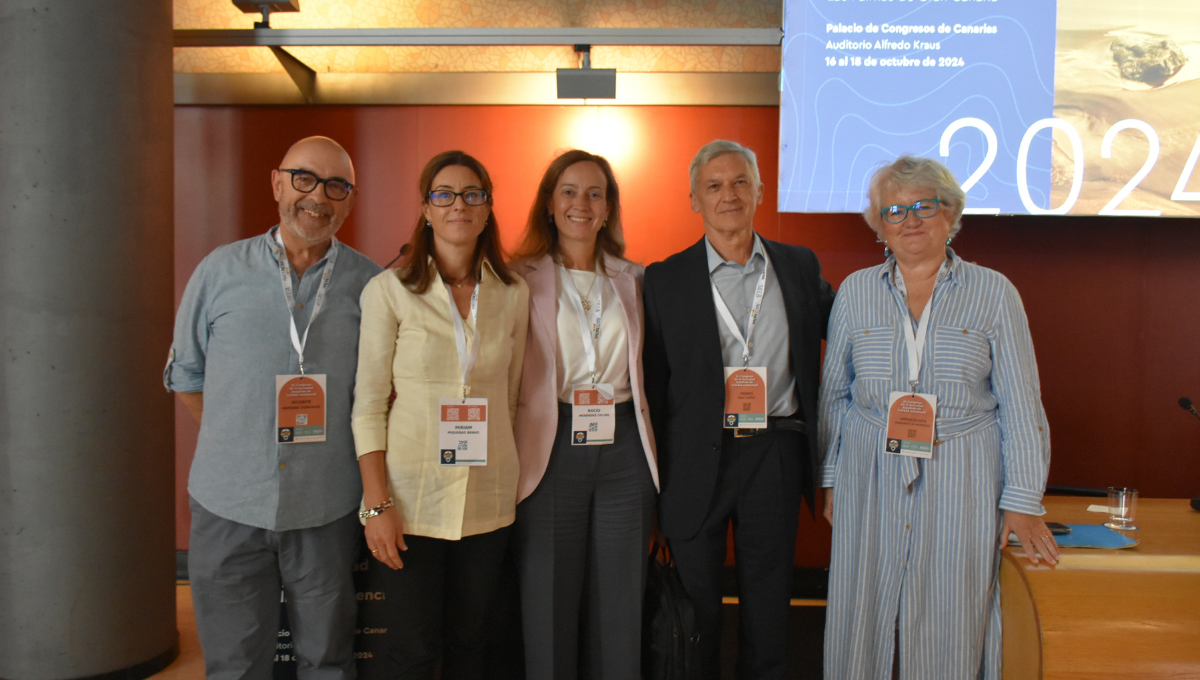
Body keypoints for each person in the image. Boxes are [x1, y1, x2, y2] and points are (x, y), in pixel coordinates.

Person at [819, 155, 1058, 680]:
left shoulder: (994, 292)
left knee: (952, 612)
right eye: (895, 210)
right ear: (878, 225)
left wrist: (1021, 500)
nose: (910, 220)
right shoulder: (856, 292)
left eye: (924, 206)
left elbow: (1021, 402)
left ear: (951, 214)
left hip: (963, 472)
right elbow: (834, 392)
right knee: (861, 613)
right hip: (869, 470)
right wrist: (832, 479)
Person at [165, 136, 382, 680]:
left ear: (349, 201)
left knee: (328, 662)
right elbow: (187, 375)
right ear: (277, 182)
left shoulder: (371, 285)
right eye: (304, 178)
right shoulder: (219, 271)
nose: (318, 197)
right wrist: (239, 439)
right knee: (235, 667)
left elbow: (380, 393)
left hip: (326, 509)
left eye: (336, 186)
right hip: (228, 506)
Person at [642, 139, 835, 679]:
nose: (728, 195)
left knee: (770, 604)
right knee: (697, 609)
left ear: (760, 192)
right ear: (694, 200)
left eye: (740, 182)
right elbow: (654, 390)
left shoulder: (798, 266)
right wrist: (652, 491)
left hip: (774, 452)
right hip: (693, 460)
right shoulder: (663, 280)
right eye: (714, 185)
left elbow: (848, 327)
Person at [351, 151, 529, 680]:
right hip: (410, 501)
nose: (459, 205)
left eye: (472, 194)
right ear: (425, 209)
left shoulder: (513, 293)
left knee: (473, 644)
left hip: (487, 499)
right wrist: (375, 504)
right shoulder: (389, 291)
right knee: (412, 648)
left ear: (488, 207)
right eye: (444, 194)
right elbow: (367, 405)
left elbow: (513, 396)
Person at [509, 150, 659, 680]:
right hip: (551, 446)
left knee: (621, 603)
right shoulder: (514, 278)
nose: (581, 203)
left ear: (609, 208)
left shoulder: (635, 278)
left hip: (624, 449)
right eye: (569, 191)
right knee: (548, 599)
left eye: (595, 193)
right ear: (550, 203)